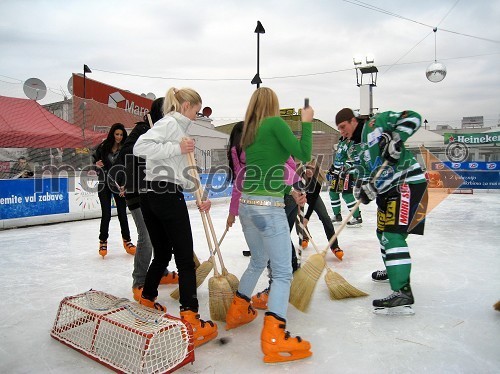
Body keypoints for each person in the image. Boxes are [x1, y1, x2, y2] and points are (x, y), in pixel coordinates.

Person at [224, 87, 313, 363]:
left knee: (258, 260)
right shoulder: (275, 123)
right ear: (273, 105)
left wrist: (290, 192)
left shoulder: (249, 132)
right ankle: (275, 336)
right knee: (284, 272)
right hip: (267, 209)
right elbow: (304, 153)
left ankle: (237, 311)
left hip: (248, 207)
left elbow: (266, 173)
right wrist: (306, 121)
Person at [133, 87, 218, 347]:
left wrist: (200, 195)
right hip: (164, 193)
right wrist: (175, 146)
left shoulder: (180, 130)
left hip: (152, 194)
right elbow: (140, 146)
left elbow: (185, 169)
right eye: (195, 109)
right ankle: (191, 318)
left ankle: (147, 297)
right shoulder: (171, 124)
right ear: (185, 106)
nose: (196, 115)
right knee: (184, 257)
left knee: (163, 251)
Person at [335, 107, 428, 315]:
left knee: (392, 235)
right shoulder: (354, 148)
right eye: (339, 129)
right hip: (387, 192)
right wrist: (363, 189)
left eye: (343, 126)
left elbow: (413, 116)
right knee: (382, 234)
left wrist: (397, 137)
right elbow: (363, 173)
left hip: (406, 184)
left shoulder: (377, 122)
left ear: (353, 121)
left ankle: (402, 292)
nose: (342, 132)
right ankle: (394, 270)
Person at [225, 122, 300, 309]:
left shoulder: (242, 151)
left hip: (274, 195)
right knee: (281, 244)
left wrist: (233, 212)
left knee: (273, 249)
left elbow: (239, 185)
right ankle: (283, 285)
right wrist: (296, 186)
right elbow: (291, 164)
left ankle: (275, 289)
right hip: (287, 192)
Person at [114, 98, 178, 303]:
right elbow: (125, 154)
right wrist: (124, 181)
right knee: (147, 236)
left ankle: (161, 272)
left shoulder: (160, 130)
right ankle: (139, 281)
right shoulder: (143, 129)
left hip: (153, 191)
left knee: (161, 234)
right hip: (137, 191)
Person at [92, 123, 136, 258]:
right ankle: (103, 241)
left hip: (120, 186)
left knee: (123, 213)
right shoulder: (103, 147)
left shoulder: (126, 149)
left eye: (121, 135)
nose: (119, 137)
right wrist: (96, 164)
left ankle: (127, 240)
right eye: (117, 134)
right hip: (104, 184)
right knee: (106, 214)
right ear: (112, 134)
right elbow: (94, 159)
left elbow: (129, 168)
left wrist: (125, 185)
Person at [301, 157, 344, 261]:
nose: (310, 171)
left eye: (313, 168)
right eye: (308, 168)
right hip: (299, 195)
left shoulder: (318, 179)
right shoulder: (299, 176)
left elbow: (313, 199)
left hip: (312, 197)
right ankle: (305, 236)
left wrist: (307, 217)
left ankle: (334, 246)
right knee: (298, 215)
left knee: (325, 218)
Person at [328, 136, 362, 227]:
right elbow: (339, 157)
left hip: (346, 173)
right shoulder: (341, 141)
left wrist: (347, 168)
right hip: (337, 172)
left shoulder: (352, 142)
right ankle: (337, 215)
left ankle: (357, 217)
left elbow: (356, 160)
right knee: (333, 193)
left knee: (347, 194)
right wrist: (333, 166)